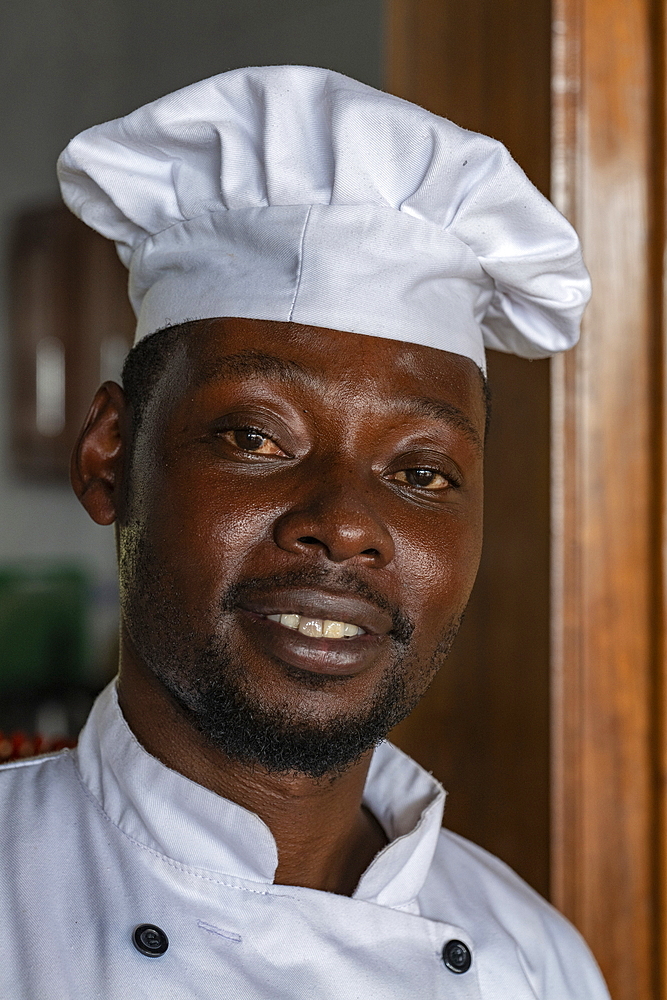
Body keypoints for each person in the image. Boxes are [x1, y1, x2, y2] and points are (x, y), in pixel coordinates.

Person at [0, 66, 609, 999]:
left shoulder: (535, 963)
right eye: (255, 437)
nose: (345, 523)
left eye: (421, 472)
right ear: (109, 457)